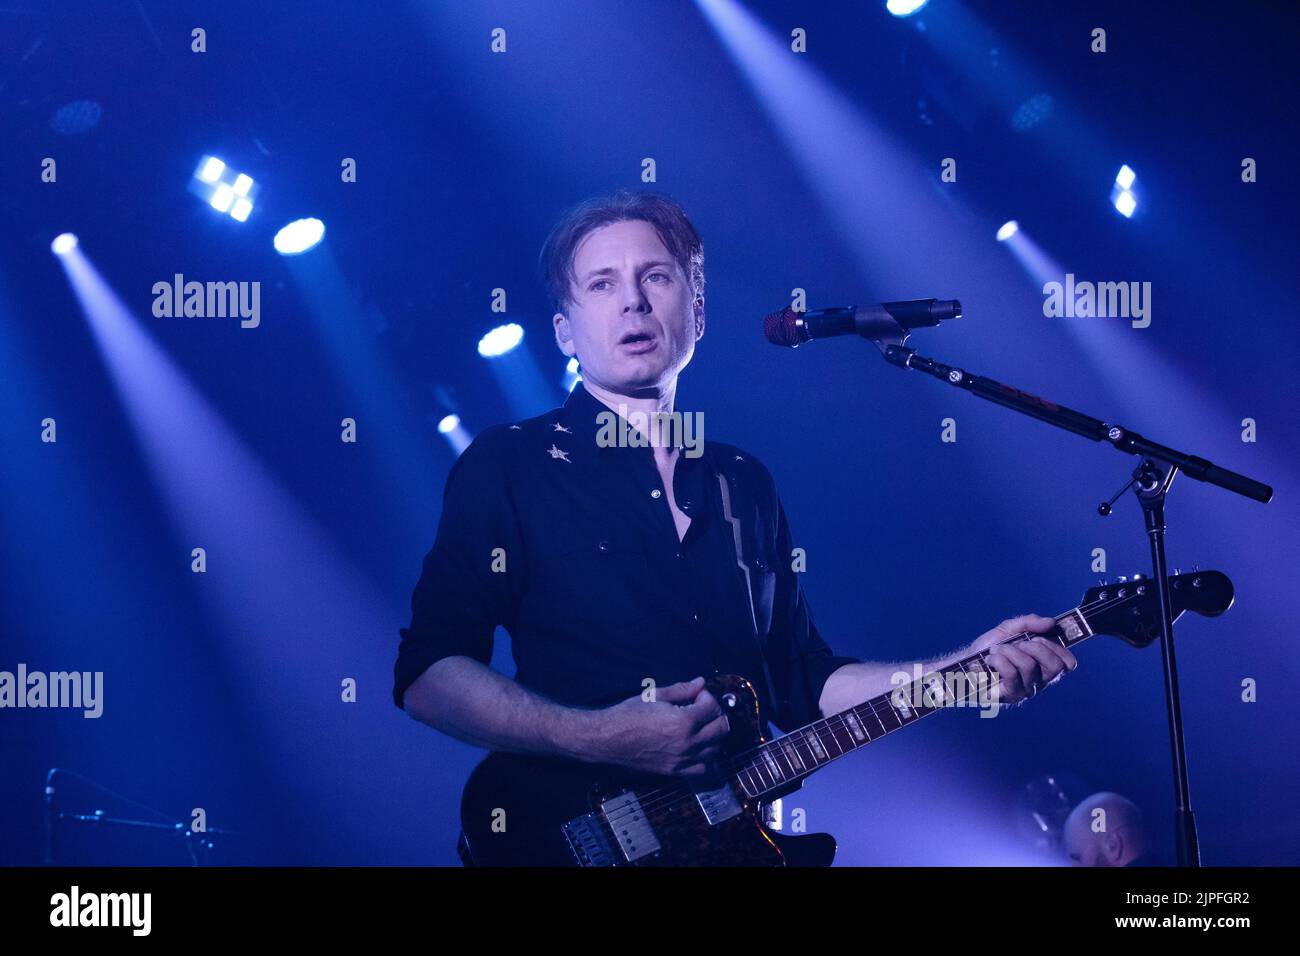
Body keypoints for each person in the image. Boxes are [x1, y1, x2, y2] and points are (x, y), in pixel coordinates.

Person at [394, 189, 1076, 787]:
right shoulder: (511, 464)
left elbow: (801, 683)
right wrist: (600, 737)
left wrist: (961, 673)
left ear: (697, 312)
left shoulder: (740, 480)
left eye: (654, 277)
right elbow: (428, 677)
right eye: (601, 284)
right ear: (564, 333)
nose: (632, 299)